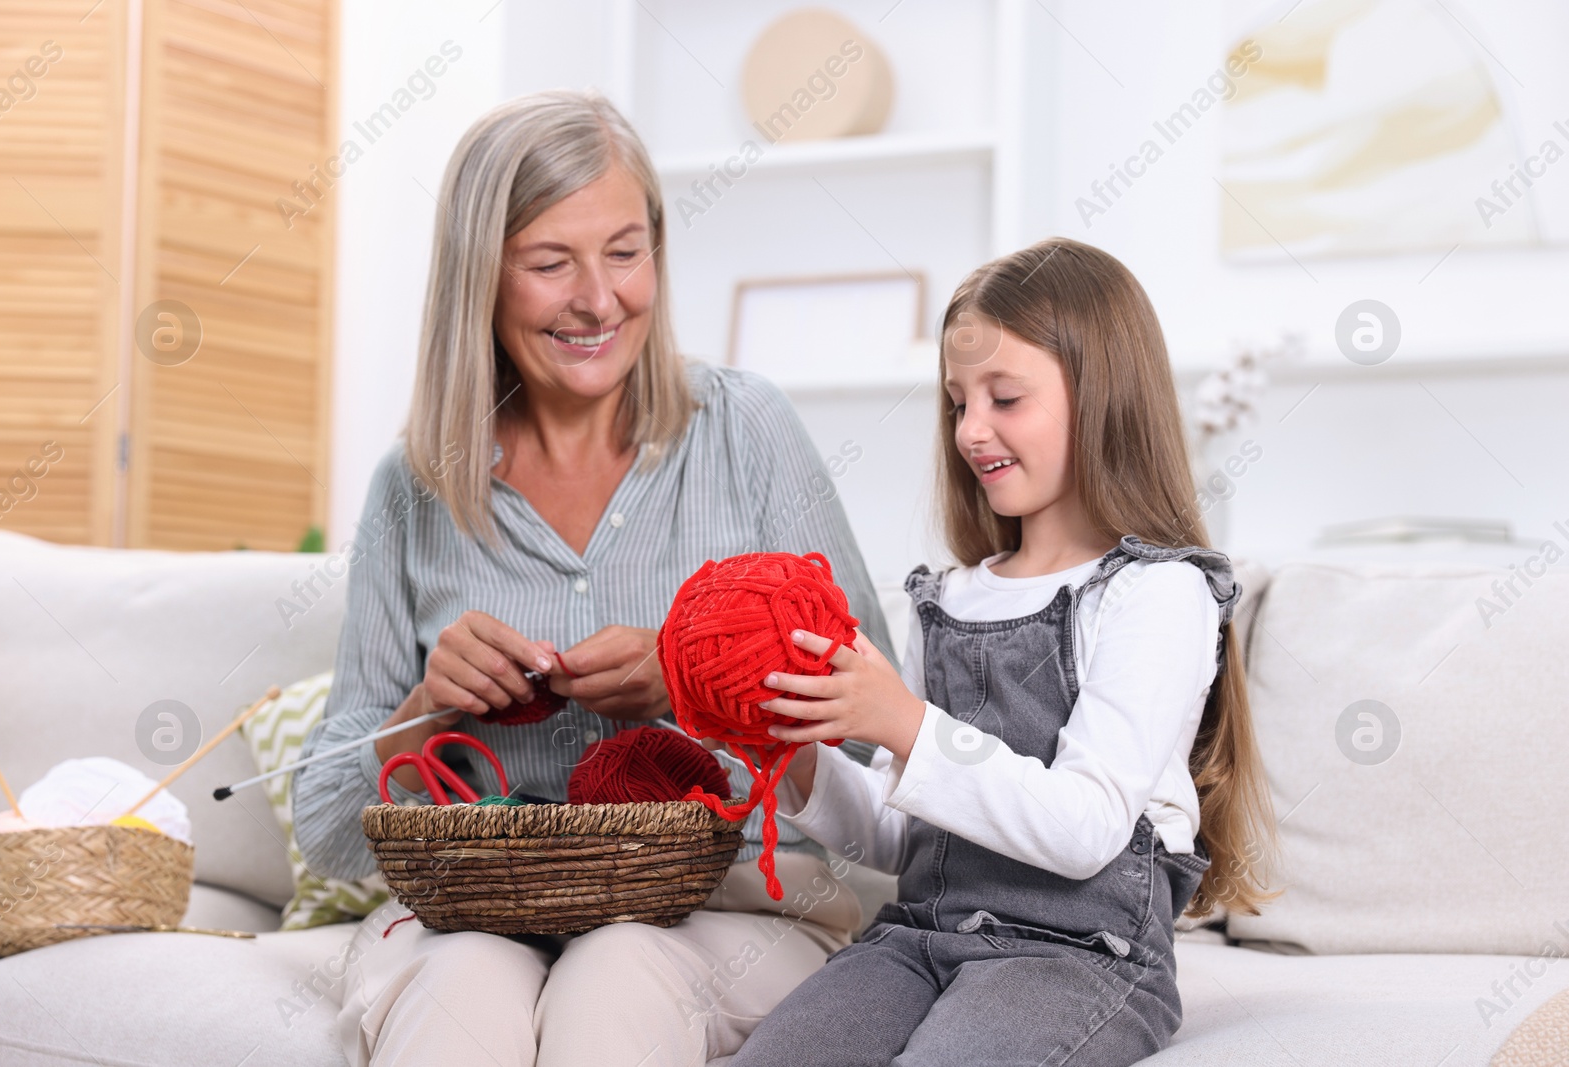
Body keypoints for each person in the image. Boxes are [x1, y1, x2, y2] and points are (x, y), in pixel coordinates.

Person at [290, 89, 892, 1067]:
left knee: (612, 977)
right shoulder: (414, 487)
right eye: (548, 262)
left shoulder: (746, 432)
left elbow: (876, 751)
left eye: (623, 251)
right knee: (460, 999)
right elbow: (326, 834)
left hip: (725, 899)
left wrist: (689, 685)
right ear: (479, 278)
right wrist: (426, 708)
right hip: (482, 905)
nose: (599, 299)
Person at [730, 238, 1281, 1066]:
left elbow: (1089, 826)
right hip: (921, 937)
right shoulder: (948, 595)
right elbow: (899, 836)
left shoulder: (1156, 594)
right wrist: (798, 760)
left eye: (1005, 397)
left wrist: (909, 724)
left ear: (1102, 397)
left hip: (1084, 955)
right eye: (957, 402)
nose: (971, 430)